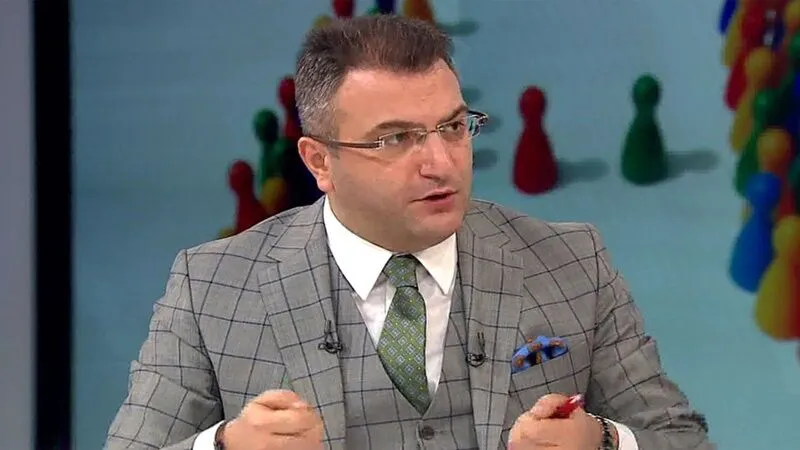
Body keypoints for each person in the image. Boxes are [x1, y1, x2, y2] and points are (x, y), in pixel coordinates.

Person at [105, 14, 713, 450]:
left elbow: (681, 438)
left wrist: (604, 442)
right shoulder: (210, 286)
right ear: (319, 162)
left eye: (453, 128)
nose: (441, 163)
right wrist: (223, 446)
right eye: (396, 139)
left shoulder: (573, 260)